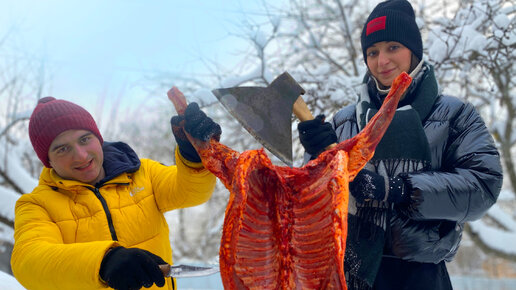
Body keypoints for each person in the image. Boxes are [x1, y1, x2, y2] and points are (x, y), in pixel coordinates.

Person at [298, 0, 503, 289]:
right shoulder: (345, 121)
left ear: (413, 51)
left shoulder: (454, 115)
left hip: (421, 276)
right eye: (372, 52)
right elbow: (313, 201)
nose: (382, 61)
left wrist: (399, 190)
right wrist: (315, 157)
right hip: (350, 276)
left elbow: (484, 185)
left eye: (393, 47)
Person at [11, 96, 221, 290]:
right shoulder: (37, 205)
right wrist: (104, 261)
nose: (81, 155)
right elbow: (28, 261)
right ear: (47, 160)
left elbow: (192, 193)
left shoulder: (142, 173)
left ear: (98, 138)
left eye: (85, 139)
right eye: (62, 149)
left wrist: (193, 155)